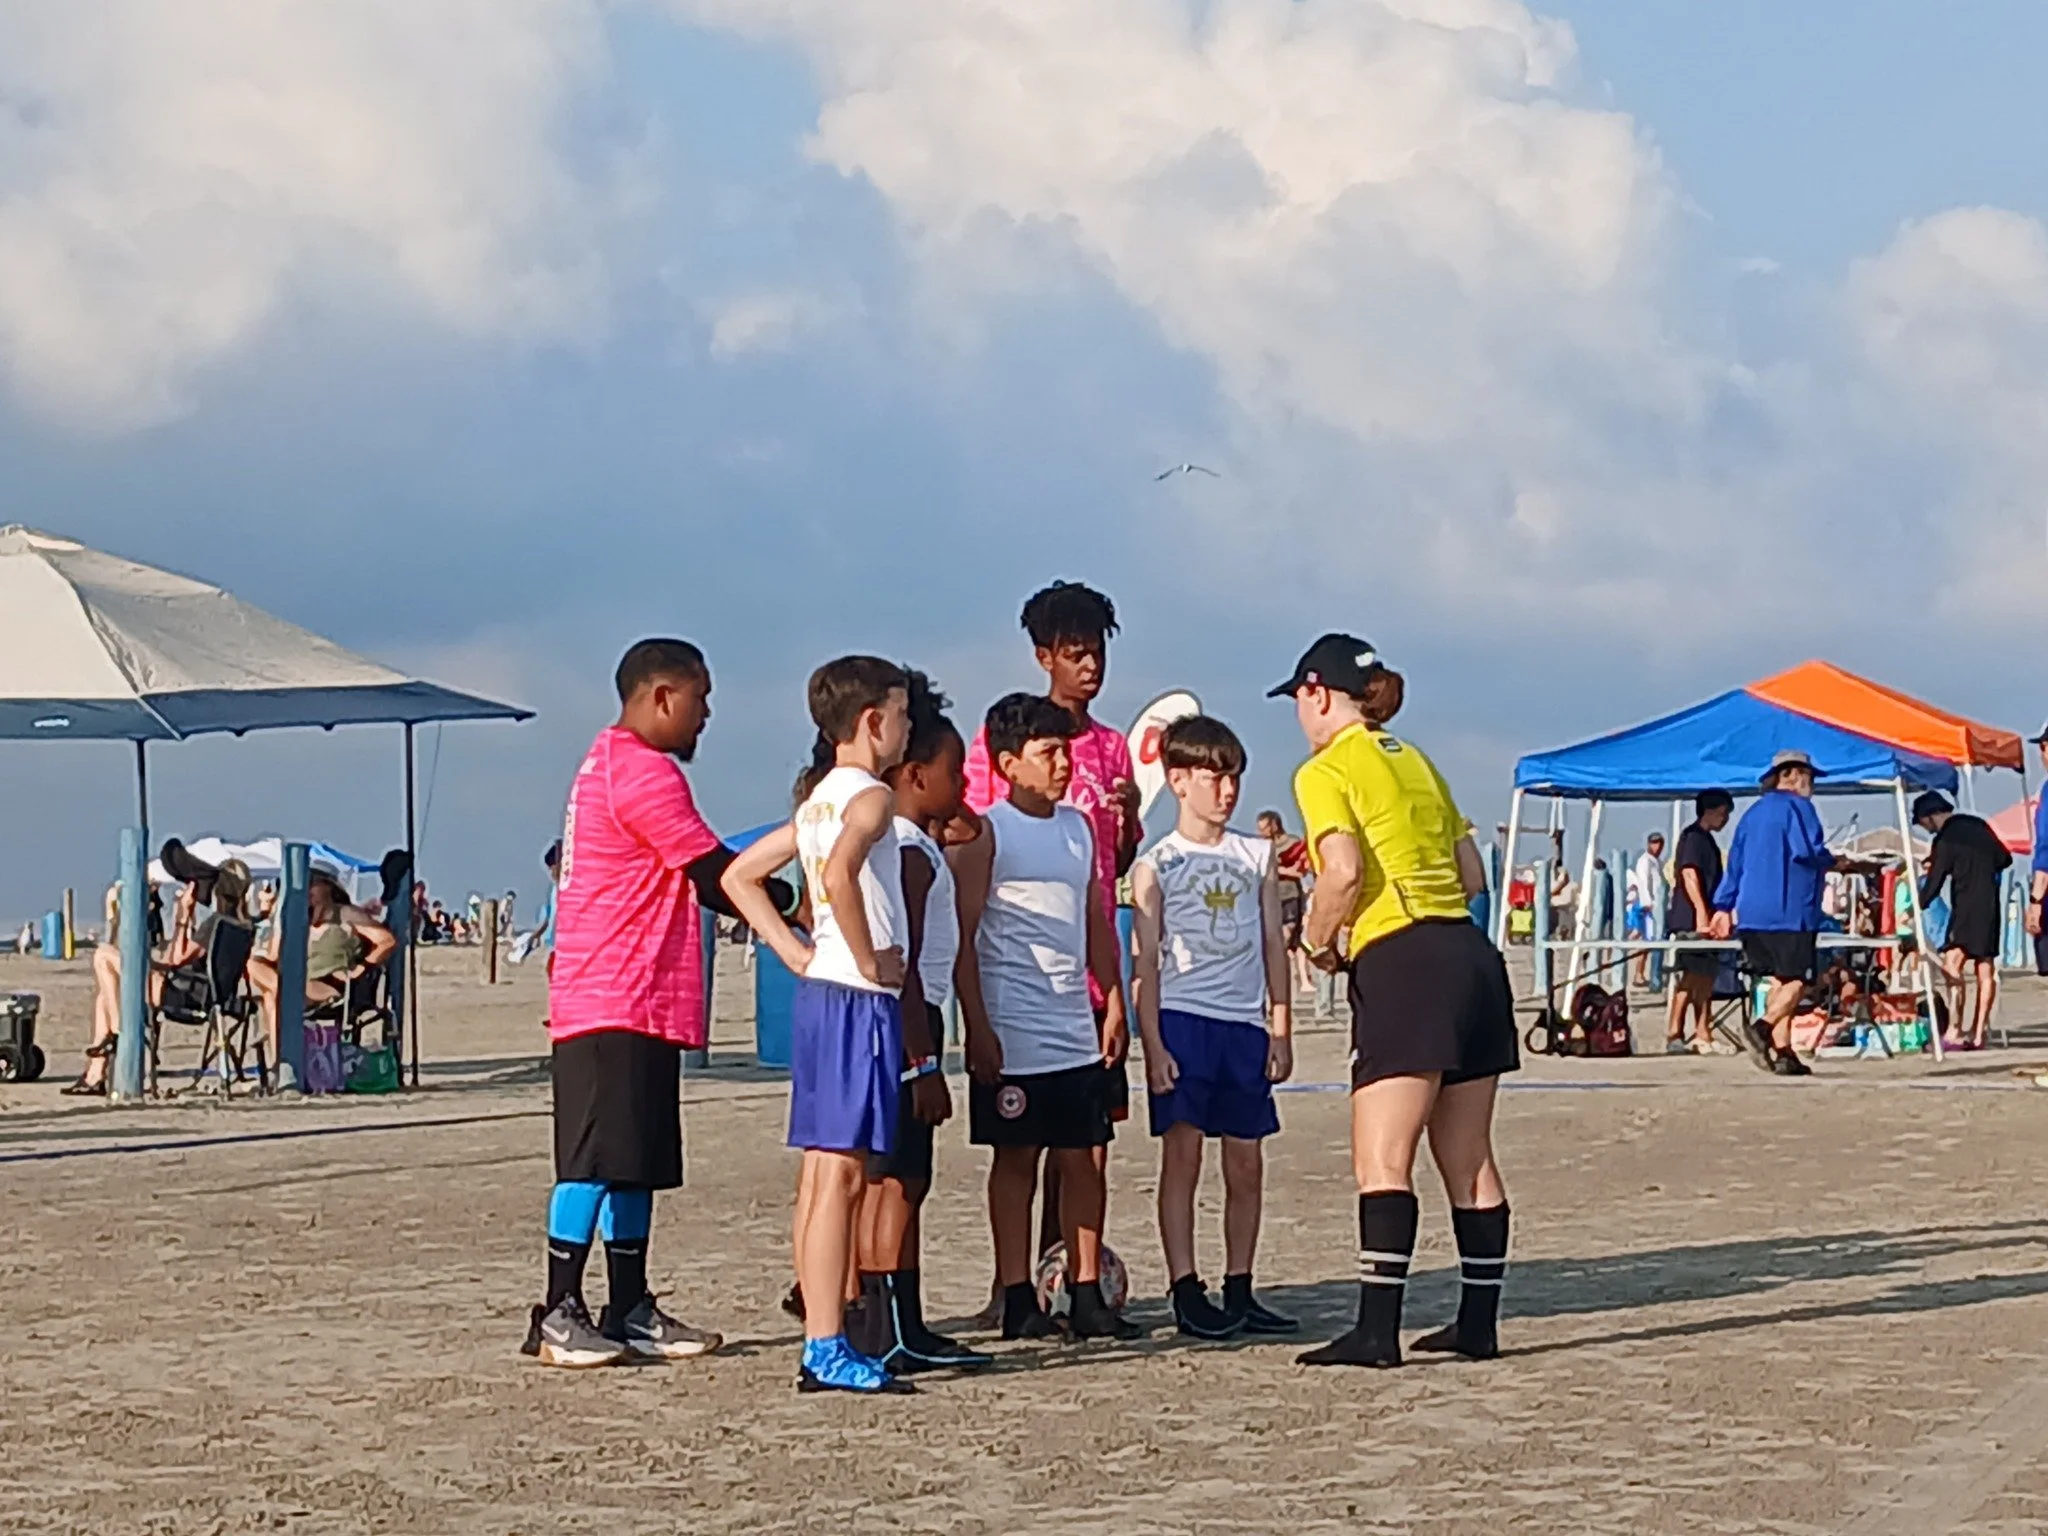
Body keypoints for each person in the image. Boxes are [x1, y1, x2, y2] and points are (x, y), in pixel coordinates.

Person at [524, 638, 793, 1370]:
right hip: (610, 993)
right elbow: (713, 872)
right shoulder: (639, 770)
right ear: (663, 695)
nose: (706, 715)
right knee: (590, 1159)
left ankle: (630, 1304)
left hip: (641, 998)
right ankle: (557, 1308)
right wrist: (793, 898)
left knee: (636, 1160)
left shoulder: (613, 762)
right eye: (700, 698)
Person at [1274, 635, 1515, 1368]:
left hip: (1404, 957)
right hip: (1472, 958)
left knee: (1382, 1156)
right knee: (1469, 1154)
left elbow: (1341, 872)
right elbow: (1472, 871)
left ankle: (1377, 1330)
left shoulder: (1325, 770)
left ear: (1317, 695)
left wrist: (1317, 941)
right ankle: (1478, 1323)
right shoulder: (1418, 761)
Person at [724, 655, 917, 1395]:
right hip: (855, 1000)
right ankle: (827, 1341)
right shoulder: (869, 797)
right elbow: (836, 875)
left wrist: (794, 951)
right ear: (873, 722)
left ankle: (822, 1337)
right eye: (900, 715)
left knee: (818, 1176)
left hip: (822, 996)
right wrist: (871, 961)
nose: (906, 728)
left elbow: (743, 876)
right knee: (838, 1175)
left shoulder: (815, 803)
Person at [960, 581, 1142, 1304]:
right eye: (1075, 653)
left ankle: (1066, 1280)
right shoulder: (1006, 741)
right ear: (1044, 657)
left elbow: (1112, 868)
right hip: (1019, 975)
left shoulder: (1113, 748)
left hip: (1088, 972)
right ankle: (1014, 1288)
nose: (1090, 667)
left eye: (1098, 652)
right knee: (1020, 1149)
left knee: (1086, 1149)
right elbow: (976, 836)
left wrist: (1127, 820)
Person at [839, 671, 993, 1373]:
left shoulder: (912, 837)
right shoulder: (910, 853)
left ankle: (901, 1317)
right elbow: (903, 963)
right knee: (898, 1182)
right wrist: (924, 1063)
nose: (962, 783)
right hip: (910, 1023)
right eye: (952, 771)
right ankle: (889, 1324)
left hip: (905, 1021)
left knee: (900, 1180)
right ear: (915, 774)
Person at [1131, 716, 1296, 1340]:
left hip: (1242, 1023)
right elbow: (1144, 961)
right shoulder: (1158, 864)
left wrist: (1280, 1027)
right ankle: (1185, 1286)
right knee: (1183, 1157)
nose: (1226, 791)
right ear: (1178, 780)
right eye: (1213, 776)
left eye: (1234, 777)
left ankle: (1241, 1284)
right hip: (1183, 1019)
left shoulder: (1256, 856)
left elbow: (1274, 947)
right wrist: (1153, 1046)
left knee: (1247, 1161)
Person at [1709, 751, 1872, 1077]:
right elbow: (1806, 851)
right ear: (1795, 775)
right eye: (1809, 777)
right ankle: (1763, 1027)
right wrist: (1839, 862)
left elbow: (1735, 865)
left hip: (1752, 912)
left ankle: (1783, 1051)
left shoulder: (1751, 814)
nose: (1811, 785)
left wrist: (1723, 906)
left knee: (1779, 979)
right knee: (1800, 980)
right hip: (1788, 909)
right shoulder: (1800, 808)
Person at [1914, 791, 2011, 1050]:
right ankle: (1980, 1034)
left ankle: (1955, 1029)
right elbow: (2005, 858)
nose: (1926, 829)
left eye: (1923, 823)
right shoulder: (1979, 825)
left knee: (1951, 964)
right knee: (1985, 967)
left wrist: (1917, 906)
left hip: (1966, 906)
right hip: (1990, 903)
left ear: (1930, 816)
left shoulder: (1945, 839)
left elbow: (1935, 879)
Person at [1664, 791, 1734, 1055]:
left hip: (1709, 918)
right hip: (1690, 919)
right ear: (1710, 811)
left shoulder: (1708, 841)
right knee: (1690, 975)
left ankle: (1703, 1032)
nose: (1725, 819)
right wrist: (1701, 913)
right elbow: (1689, 874)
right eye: (1723, 813)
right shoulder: (1692, 837)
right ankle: (1674, 1032)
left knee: (1706, 976)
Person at [1257, 809, 1315, 999]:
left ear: (1274, 824)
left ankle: (1296, 979)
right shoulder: (1261, 847)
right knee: (1278, 939)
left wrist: (1289, 869)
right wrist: (1286, 869)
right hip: (1270, 897)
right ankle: (1273, 977)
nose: (1261, 832)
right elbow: (1263, 868)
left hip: (1291, 896)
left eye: (1264, 828)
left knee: (1290, 935)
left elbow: (1302, 870)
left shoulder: (1292, 843)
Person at [1626, 832, 1666, 989]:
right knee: (1647, 942)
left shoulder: (1657, 862)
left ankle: (1643, 974)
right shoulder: (1644, 861)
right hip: (1649, 907)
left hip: (1657, 907)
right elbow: (1643, 882)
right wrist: (1647, 902)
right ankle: (1639, 973)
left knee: (1650, 942)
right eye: (1655, 843)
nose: (1657, 847)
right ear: (1649, 844)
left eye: (1660, 843)